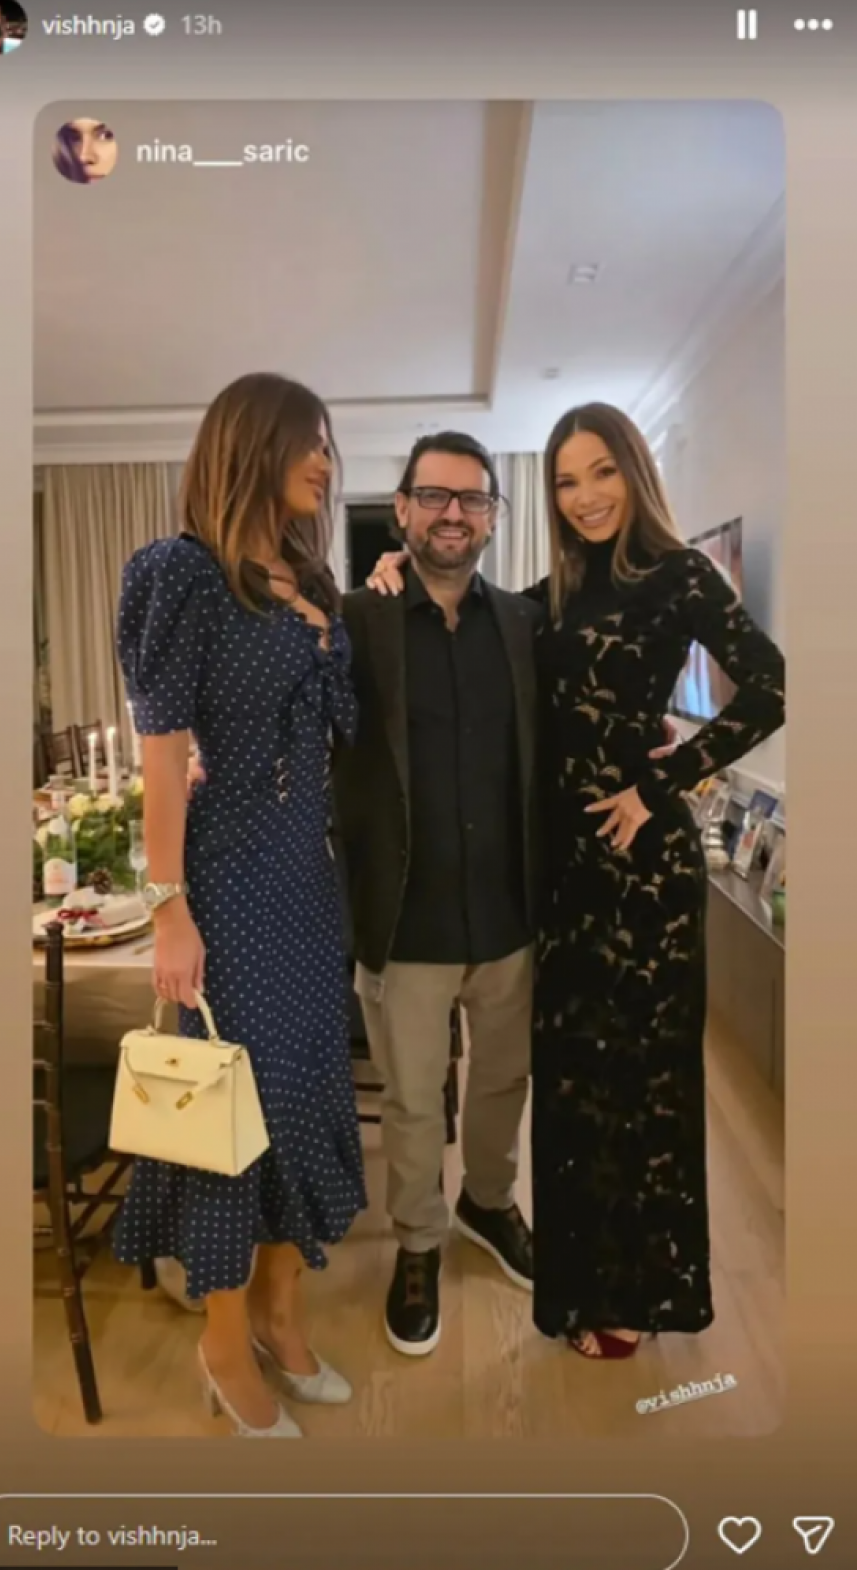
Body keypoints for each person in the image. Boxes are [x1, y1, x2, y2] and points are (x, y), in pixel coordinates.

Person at [368, 403, 785, 1363]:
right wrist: (394, 575)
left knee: (641, 1088)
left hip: (643, 877)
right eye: (565, 480)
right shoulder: (546, 597)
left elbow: (771, 684)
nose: (586, 496)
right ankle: (577, 1278)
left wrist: (663, 781)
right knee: (572, 1090)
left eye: (602, 472)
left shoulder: (681, 575)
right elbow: (461, 615)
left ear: (635, 472)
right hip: (558, 879)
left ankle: (634, 1294)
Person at [345, 430, 679, 1356]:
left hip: (514, 912)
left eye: (473, 499)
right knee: (413, 1099)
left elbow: (600, 685)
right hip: (403, 917)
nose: (453, 514)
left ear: (495, 516)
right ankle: (418, 1242)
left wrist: (650, 739)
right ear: (403, 509)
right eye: (434, 496)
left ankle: (487, 1204)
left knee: (504, 1079)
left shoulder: (532, 624)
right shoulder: (356, 620)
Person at [113, 372, 367, 1436]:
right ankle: (224, 1340)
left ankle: (279, 1312)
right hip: (226, 886)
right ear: (252, 445)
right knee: (233, 1115)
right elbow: (161, 756)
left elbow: (336, 733)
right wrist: (168, 908)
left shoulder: (310, 581)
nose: (323, 460)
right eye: (307, 441)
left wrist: (329, 619)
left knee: (304, 1099)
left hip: (307, 884)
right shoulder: (184, 574)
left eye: (327, 445)